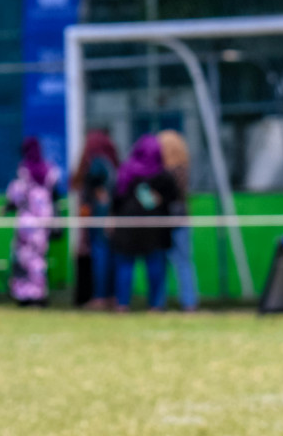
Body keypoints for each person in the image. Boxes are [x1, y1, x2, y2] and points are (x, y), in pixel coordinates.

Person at [110, 135, 177, 312]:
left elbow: (116, 198)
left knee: (126, 266)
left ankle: (122, 305)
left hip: (128, 225)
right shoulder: (163, 175)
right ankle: (155, 305)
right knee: (155, 266)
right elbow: (173, 198)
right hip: (153, 228)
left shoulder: (126, 172)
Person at [5, 137, 59, 306]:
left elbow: (15, 195)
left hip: (27, 225)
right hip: (44, 223)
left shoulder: (24, 171)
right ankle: (39, 294)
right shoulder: (49, 171)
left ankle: (26, 296)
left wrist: (7, 206)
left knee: (24, 260)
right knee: (39, 259)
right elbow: (55, 196)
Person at [71, 128, 118, 309]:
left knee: (100, 255)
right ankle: (110, 295)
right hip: (110, 215)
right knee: (109, 255)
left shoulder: (97, 162)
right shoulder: (111, 162)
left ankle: (99, 297)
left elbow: (91, 184)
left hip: (99, 217)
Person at [157, 129, 198, 312]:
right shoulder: (184, 168)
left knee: (162, 261)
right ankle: (189, 302)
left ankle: (159, 302)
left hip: (165, 218)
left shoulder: (163, 171)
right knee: (184, 262)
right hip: (182, 217)